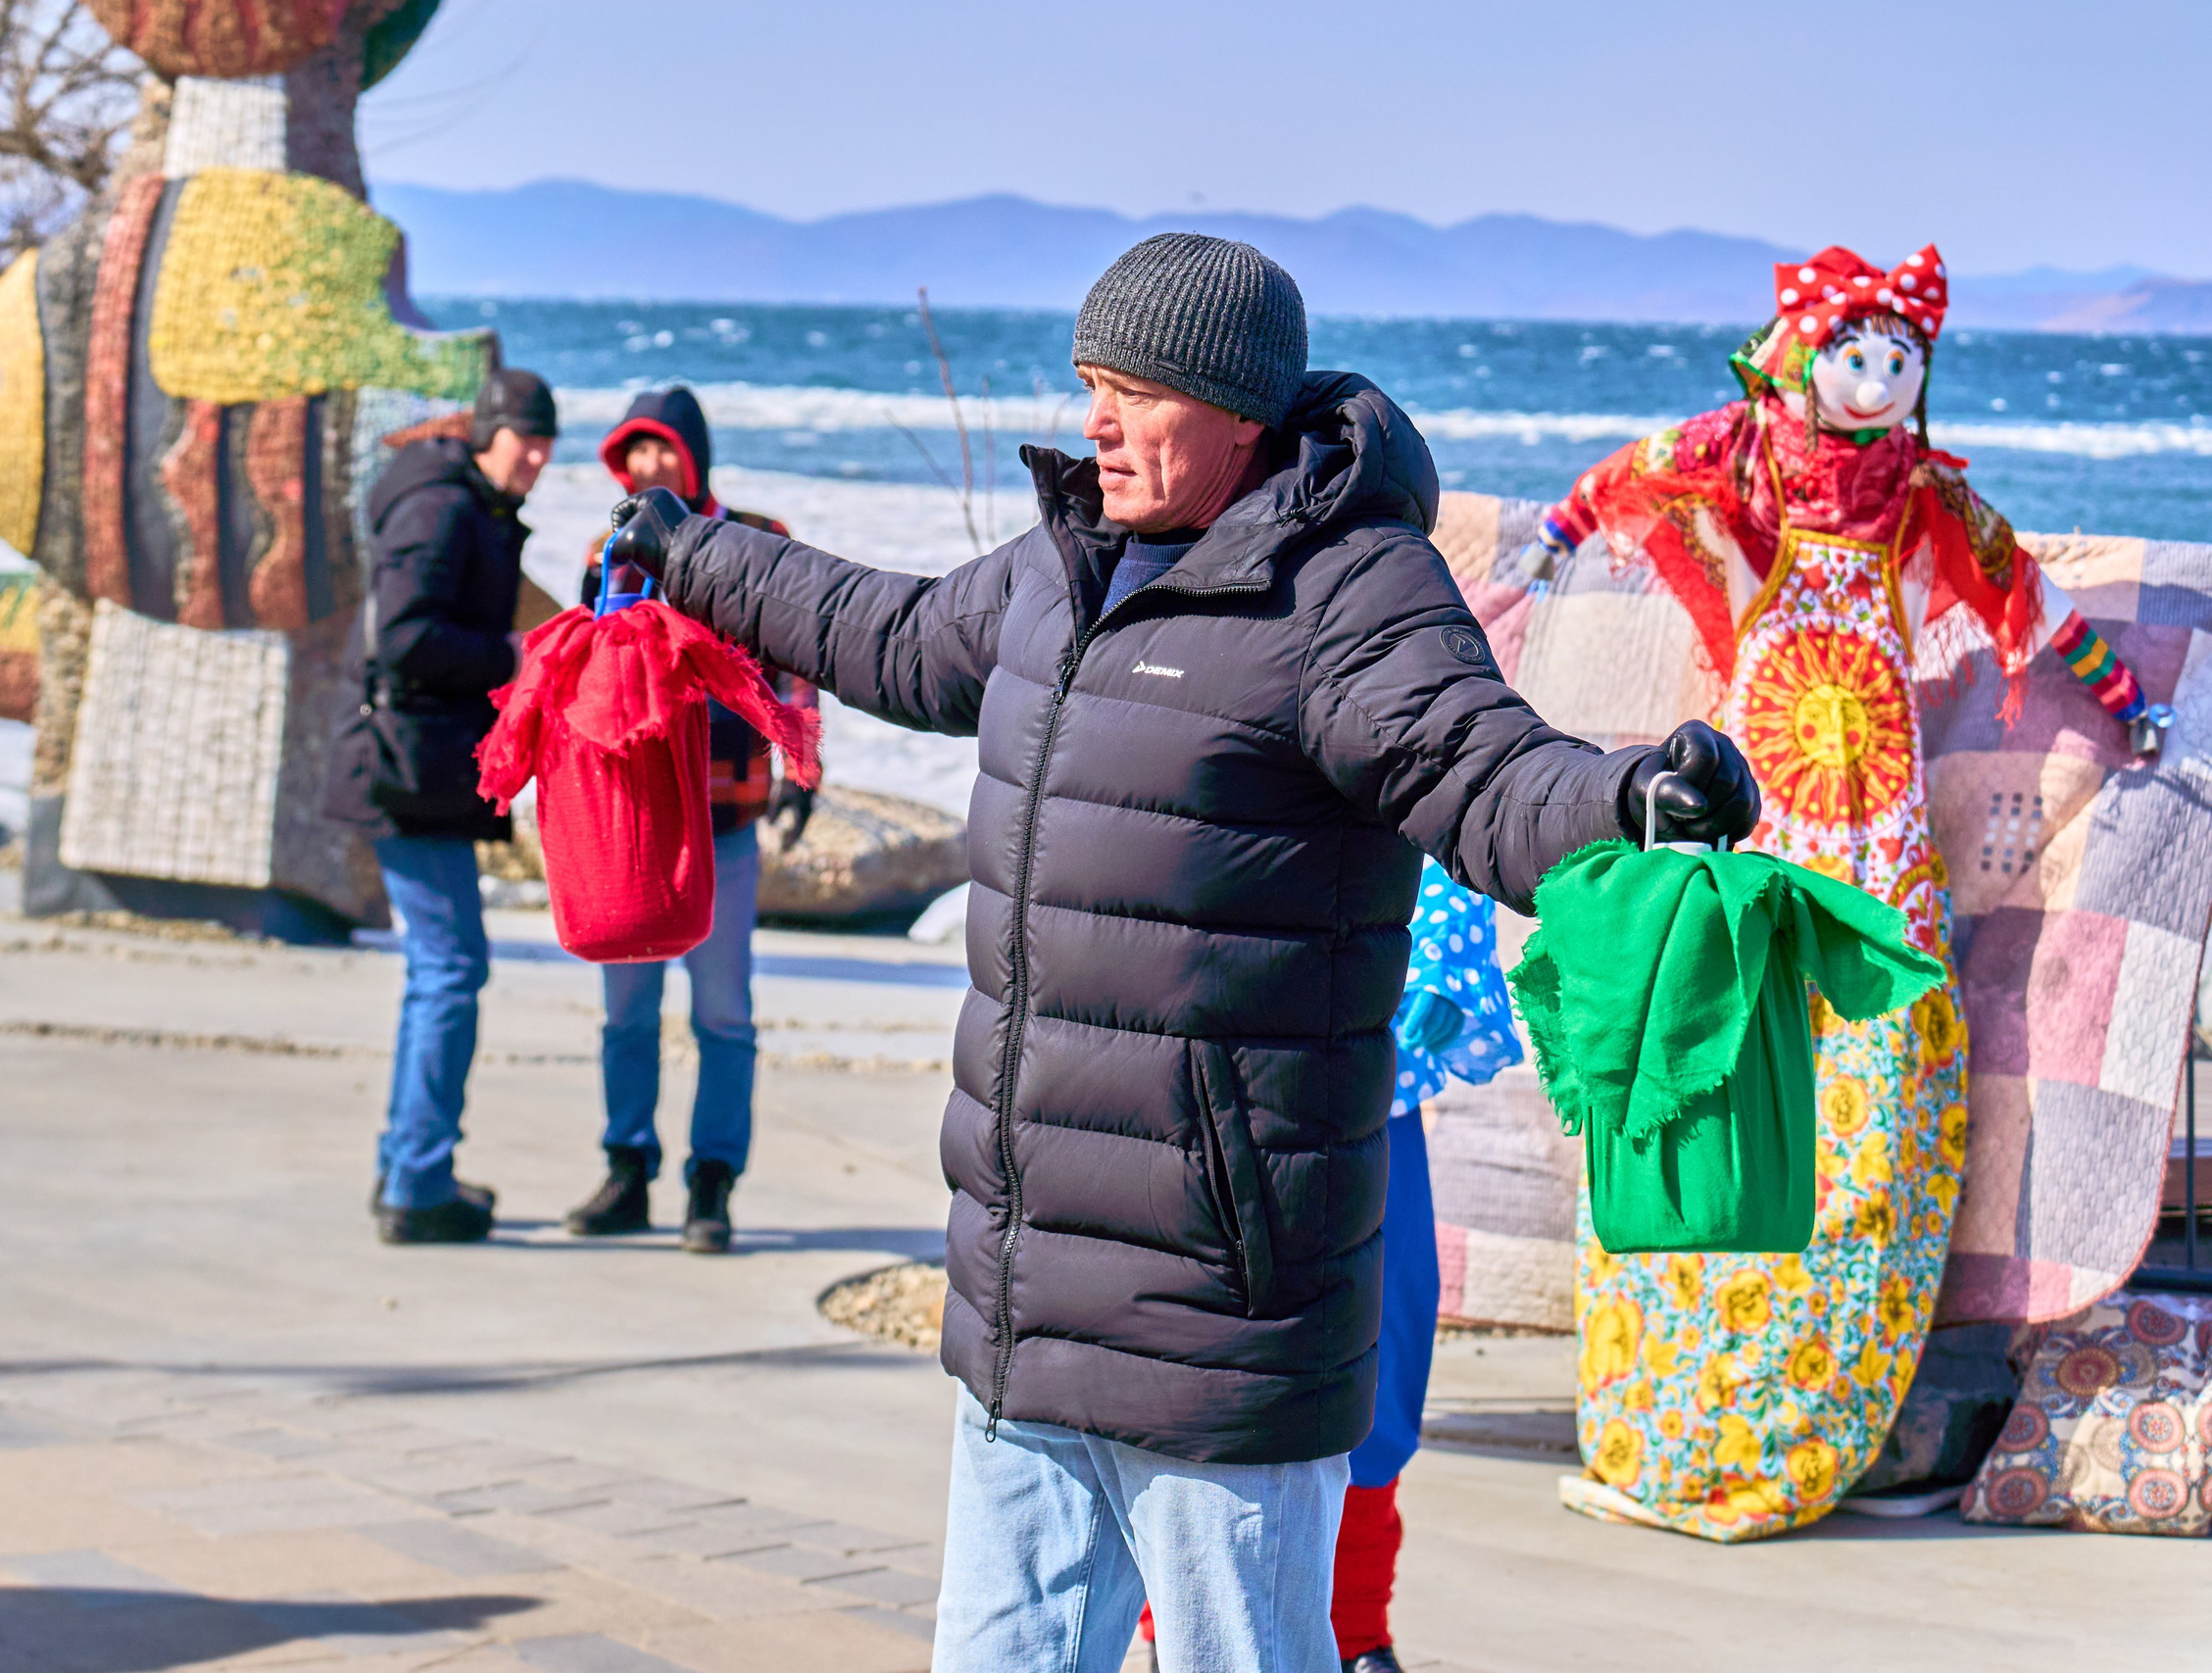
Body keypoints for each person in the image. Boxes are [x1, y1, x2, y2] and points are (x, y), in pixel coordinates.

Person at [603, 233, 1759, 1672]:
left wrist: (1627, 795)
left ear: (1237, 414)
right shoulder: (1056, 566)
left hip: (1218, 1304)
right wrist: (686, 549)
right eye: (1088, 382)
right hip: (1024, 1298)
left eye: (1131, 391)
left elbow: (1479, 765)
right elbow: (882, 629)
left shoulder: (1347, 593)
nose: (1093, 419)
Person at [1523, 244, 2162, 1541]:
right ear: (1800, 362)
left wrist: (2125, 698)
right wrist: (1546, 547)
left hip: (1876, 829)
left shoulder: (1920, 501)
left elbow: (2023, 597)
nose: (1877, 380)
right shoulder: (1740, 473)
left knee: (1868, 1114)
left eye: (1900, 359)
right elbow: (1621, 482)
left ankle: (1807, 1419)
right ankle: (1678, 1411)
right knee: (1721, 1089)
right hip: (1764, 823)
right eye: (1852, 356)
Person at [1133, 861, 1522, 1671]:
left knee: (1378, 1370)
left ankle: (1355, 1629)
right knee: (1196, 1373)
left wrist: (1447, 950)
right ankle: (1172, 1617)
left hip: (1361, 1089)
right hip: (1210, 1080)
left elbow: (1441, 774)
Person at [561, 387, 821, 1255]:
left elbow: (800, 659)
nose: (648, 468)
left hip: (725, 812)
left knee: (723, 1012)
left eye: (663, 450)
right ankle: (626, 1167)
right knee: (627, 1008)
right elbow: (586, 675)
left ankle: (712, 1183)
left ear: (695, 456)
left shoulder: (757, 537)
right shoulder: (611, 548)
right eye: (634, 454)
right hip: (637, 820)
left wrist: (802, 761)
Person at [327, 367, 557, 1245]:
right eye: (522, 437)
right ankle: (417, 1181)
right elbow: (408, 637)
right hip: (403, 767)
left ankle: (407, 1165)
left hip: (414, 765)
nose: (534, 456)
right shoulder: (443, 507)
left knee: (440, 969)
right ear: (486, 432)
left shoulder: (465, 503)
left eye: (545, 442)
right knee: (452, 970)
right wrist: (509, 653)